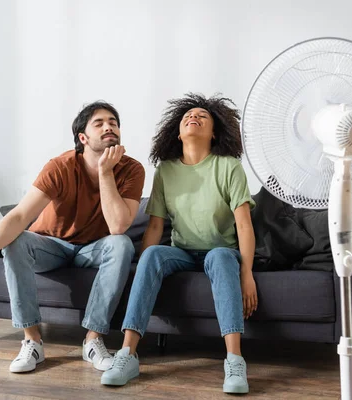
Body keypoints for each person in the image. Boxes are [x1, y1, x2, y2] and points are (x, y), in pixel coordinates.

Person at [0, 101, 145, 373]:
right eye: (99, 123)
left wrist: (105, 171)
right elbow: (19, 217)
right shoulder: (61, 167)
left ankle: (93, 341)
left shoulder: (132, 169)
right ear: (83, 138)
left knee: (122, 244)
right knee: (17, 240)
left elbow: (117, 226)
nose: (109, 126)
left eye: (113, 122)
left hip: (95, 249)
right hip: (51, 246)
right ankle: (32, 341)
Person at [100, 93, 257, 394]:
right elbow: (156, 226)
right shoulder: (166, 171)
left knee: (223, 257)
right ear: (177, 131)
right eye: (187, 116)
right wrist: (144, 270)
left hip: (219, 252)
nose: (193, 117)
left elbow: (243, 224)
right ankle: (127, 354)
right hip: (181, 252)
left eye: (202, 116)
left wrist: (246, 273)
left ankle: (235, 360)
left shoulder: (228, 167)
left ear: (214, 132)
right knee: (152, 255)